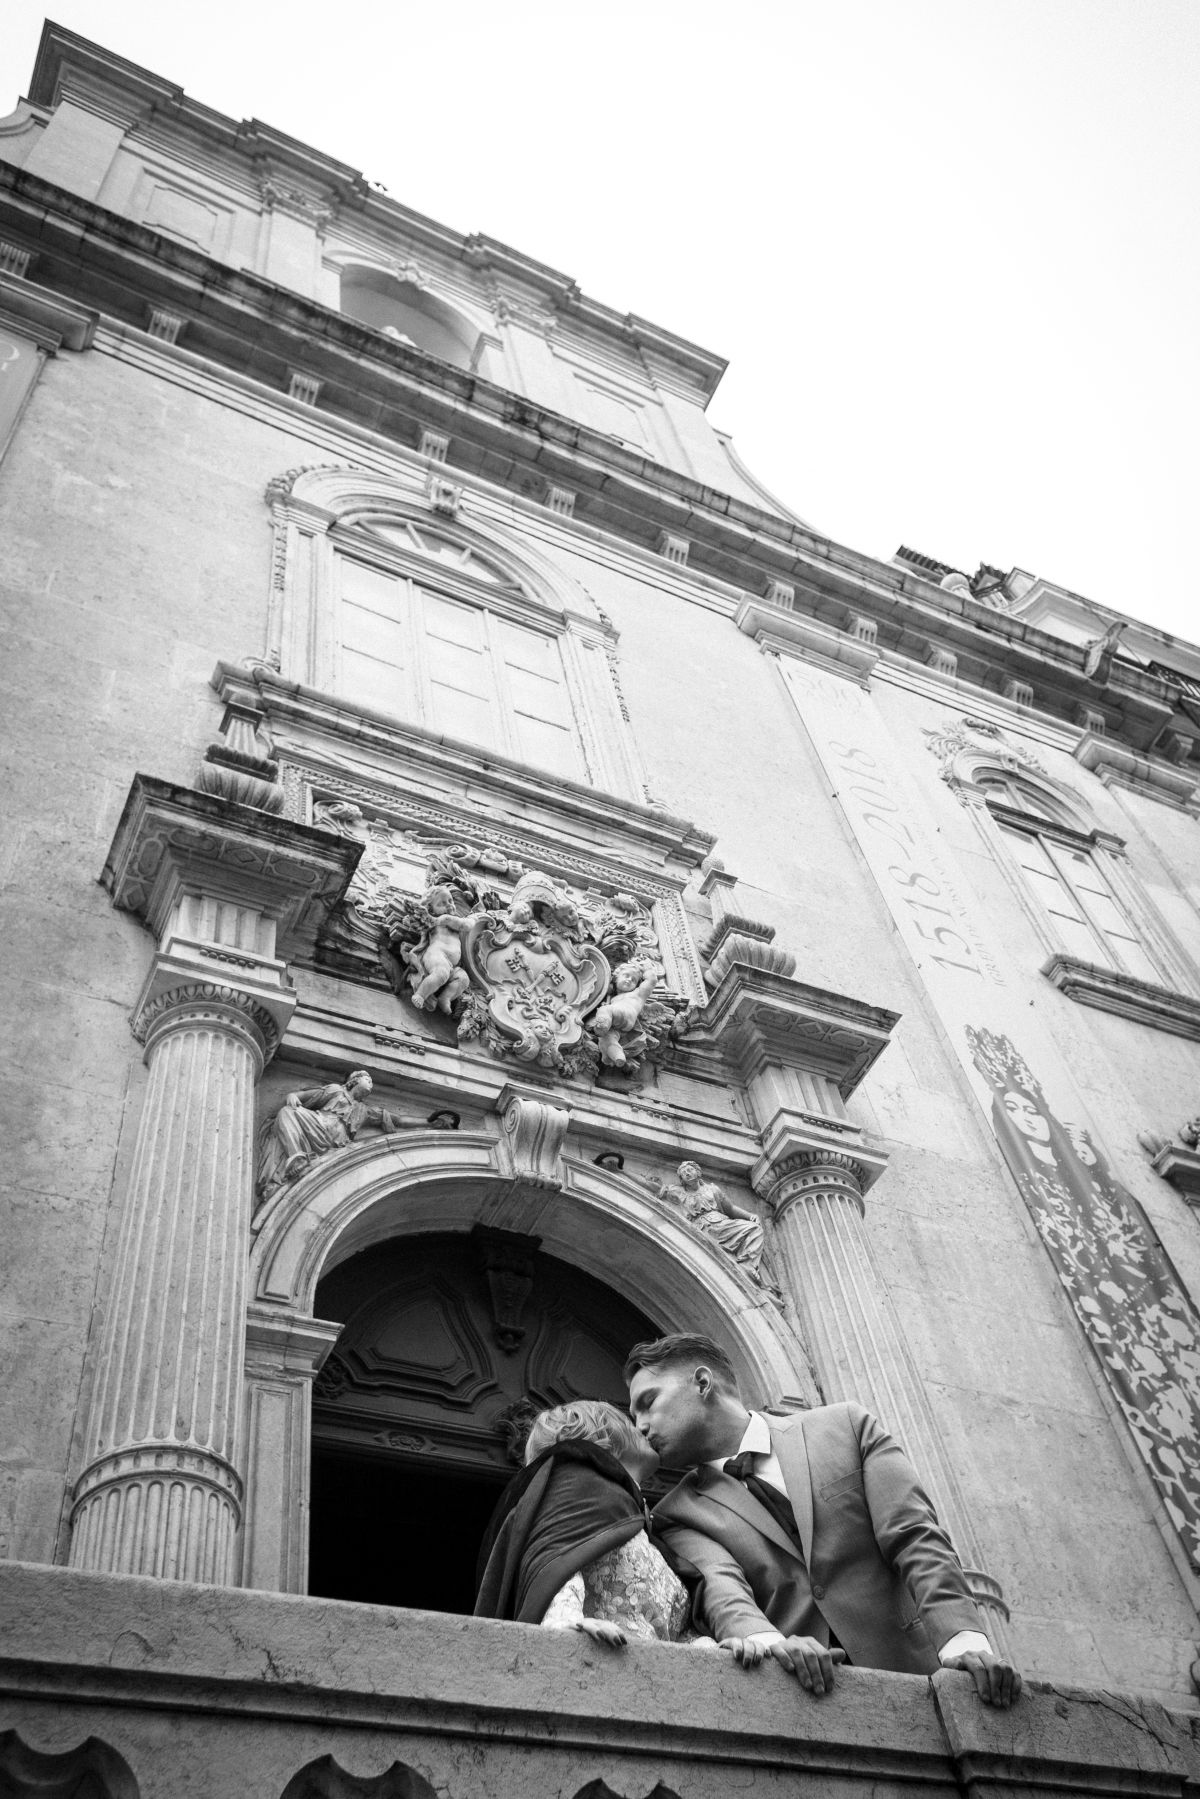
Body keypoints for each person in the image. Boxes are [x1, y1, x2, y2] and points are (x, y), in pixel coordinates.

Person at [625, 1333, 1021, 1705]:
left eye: (648, 1402)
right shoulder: (675, 1513)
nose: (640, 1426)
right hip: (802, 1698)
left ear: (702, 1383)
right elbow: (720, 1587)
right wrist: (769, 1644)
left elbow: (915, 1536)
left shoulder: (846, 1428)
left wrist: (963, 1641)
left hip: (921, 1673)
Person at [474, 1399, 698, 1646]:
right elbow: (553, 1564)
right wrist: (565, 1622)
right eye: (627, 1421)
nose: (642, 1428)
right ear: (604, 1431)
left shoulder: (645, 1531)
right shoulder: (573, 1486)